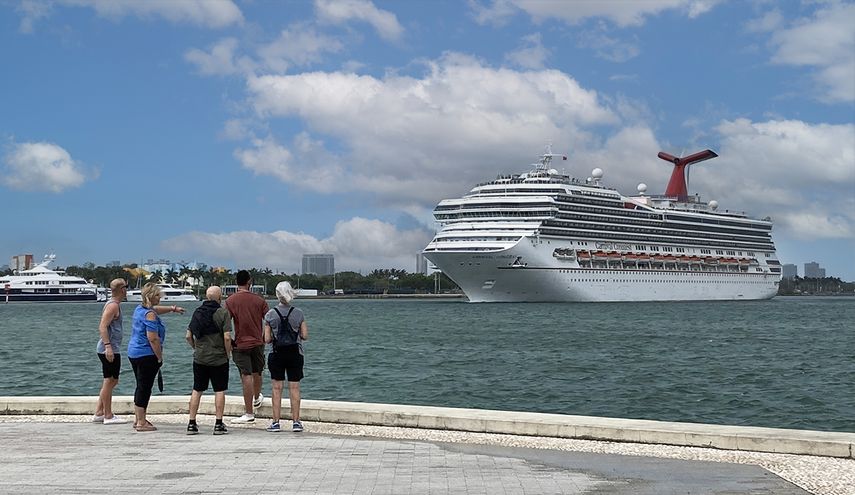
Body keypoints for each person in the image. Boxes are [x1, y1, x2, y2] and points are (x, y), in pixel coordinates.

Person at [127, 282, 185, 432]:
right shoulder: (150, 314)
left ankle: (138, 418)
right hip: (146, 354)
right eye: (158, 295)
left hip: (134, 352)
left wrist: (172, 309)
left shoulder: (140, 309)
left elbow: (155, 310)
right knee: (145, 387)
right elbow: (153, 338)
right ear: (152, 297)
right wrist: (159, 357)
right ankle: (141, 422)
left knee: (140, 385)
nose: (160, 298)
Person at [185, 286, 232, 435]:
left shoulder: (197, 312)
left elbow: (188, 336)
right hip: (218, 358)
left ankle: (192, 423)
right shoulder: (223, 313)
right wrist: (227, 353)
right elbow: (227, 337)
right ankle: (218, 423)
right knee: (219, 390)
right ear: (219, 298)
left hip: (200, 357)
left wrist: (195, 348)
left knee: (197, 389)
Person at [263, 281, 309, 432]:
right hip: (295, 353)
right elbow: (304, 335)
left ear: (277, 294)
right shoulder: (298, 313)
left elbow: (267, 339)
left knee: (277, 388)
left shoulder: (270, 314)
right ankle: (296, 421)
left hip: (277, 354)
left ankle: (276, 422)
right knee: (294, 387)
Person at [227, 270, 269, 424]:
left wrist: (230, 341)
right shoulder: (259, 300)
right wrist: (264, 337)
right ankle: (257, 397)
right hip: (258, 342)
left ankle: (249, 412)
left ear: (236, 281)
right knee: (258, 371)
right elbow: (269, 320)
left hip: (240, 342)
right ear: (249, 281)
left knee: (246, 375)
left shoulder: (231, 301)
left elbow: (226, 324)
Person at [92, 278, 130, 425]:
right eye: (125, 287)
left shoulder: (115, 305)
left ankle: (99, 412)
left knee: (112, 380)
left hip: (113, 347)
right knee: (110, 381)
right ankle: (107, 415)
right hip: (108, 348)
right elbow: (102, 326)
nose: (126, 290)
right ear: (122, 290)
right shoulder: (113, 306)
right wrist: (108, 347)